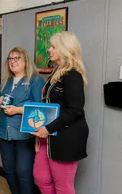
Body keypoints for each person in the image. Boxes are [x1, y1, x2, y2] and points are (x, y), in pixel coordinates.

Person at [33, 31, 89, 194]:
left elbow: (75, 110)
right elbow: (48, 105)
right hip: (48, 135)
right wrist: (40, 132)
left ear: (65, 49)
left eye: (53, 46)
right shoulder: (56, 73)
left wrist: (47, 129)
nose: (49, 50)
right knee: (41, 176)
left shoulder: (72, 75)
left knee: (63, 186)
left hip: (66, 137)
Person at [0, 46, 45, 194]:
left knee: (23, 172)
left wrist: (16, 110)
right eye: (10, 58)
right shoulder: (7, 81)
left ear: (25, 61)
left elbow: (39, 109)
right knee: (9, 171)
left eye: (17, 58)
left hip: (24, 134)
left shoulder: (35, 80)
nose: (13, 61)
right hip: (5, 133)